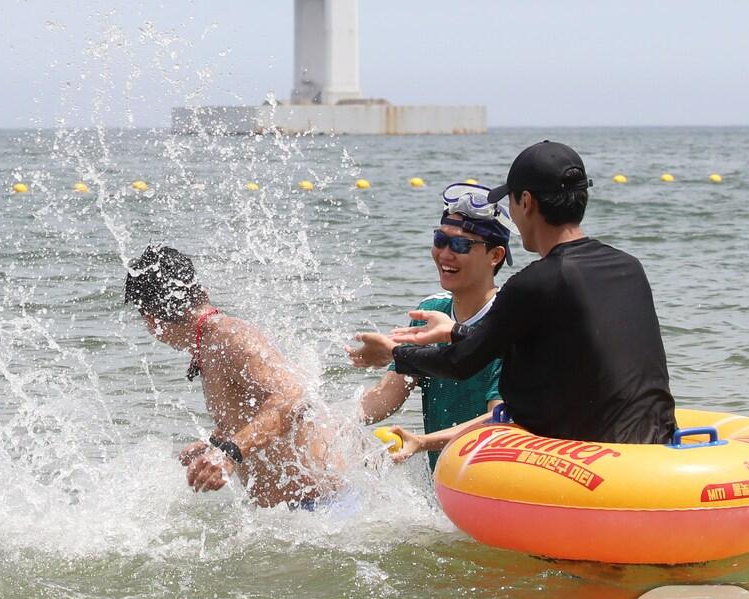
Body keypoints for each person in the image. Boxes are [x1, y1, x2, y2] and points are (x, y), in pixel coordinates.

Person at [350, 141, 677, 445]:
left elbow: (462, 363)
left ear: (526, 202)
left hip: (603, 460)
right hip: (658, 442)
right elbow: (530, 346)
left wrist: (394, 352)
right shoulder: (629, 267)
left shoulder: (537, 281)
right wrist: (452, 331)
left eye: (511, 201)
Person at [124, 246, 337, 508]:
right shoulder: (211, 341)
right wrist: (213, 443)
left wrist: (230, 452)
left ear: (151, 318)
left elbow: (294, 396)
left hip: (321, 508)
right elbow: (253, 406)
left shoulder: (229, 336)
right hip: (300, 514)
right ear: (200, 292)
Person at [352, 183, 510, 469]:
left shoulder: (510, 322)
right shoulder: (429, 311)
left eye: (460, 245)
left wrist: (423, 442)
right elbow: (389, 395)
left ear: (495, 256)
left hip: (492, 481)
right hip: (442, 483)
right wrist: (329, 418)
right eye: (440, 240)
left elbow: (499, 422)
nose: (445, 254)